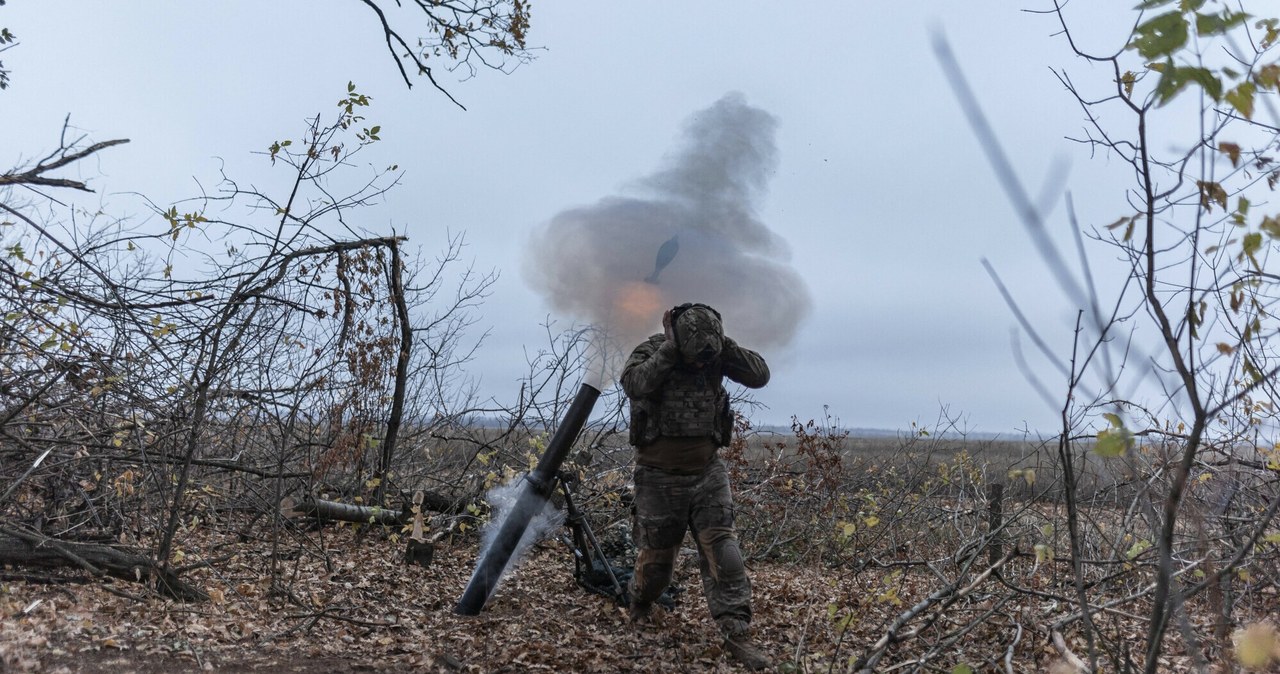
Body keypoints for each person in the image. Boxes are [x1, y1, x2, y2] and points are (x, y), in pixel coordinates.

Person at [620, 302, 771, 671]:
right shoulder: (653, 350)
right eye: (696, 356)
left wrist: (723, 345)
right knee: (657, 568)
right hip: (658, 476)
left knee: (726, 555)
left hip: (707, 472)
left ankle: (737, 634)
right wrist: (672, 349)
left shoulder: (716, 352)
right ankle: (639, 602)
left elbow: (759, 375)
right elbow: (634, 383)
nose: (703, 365)